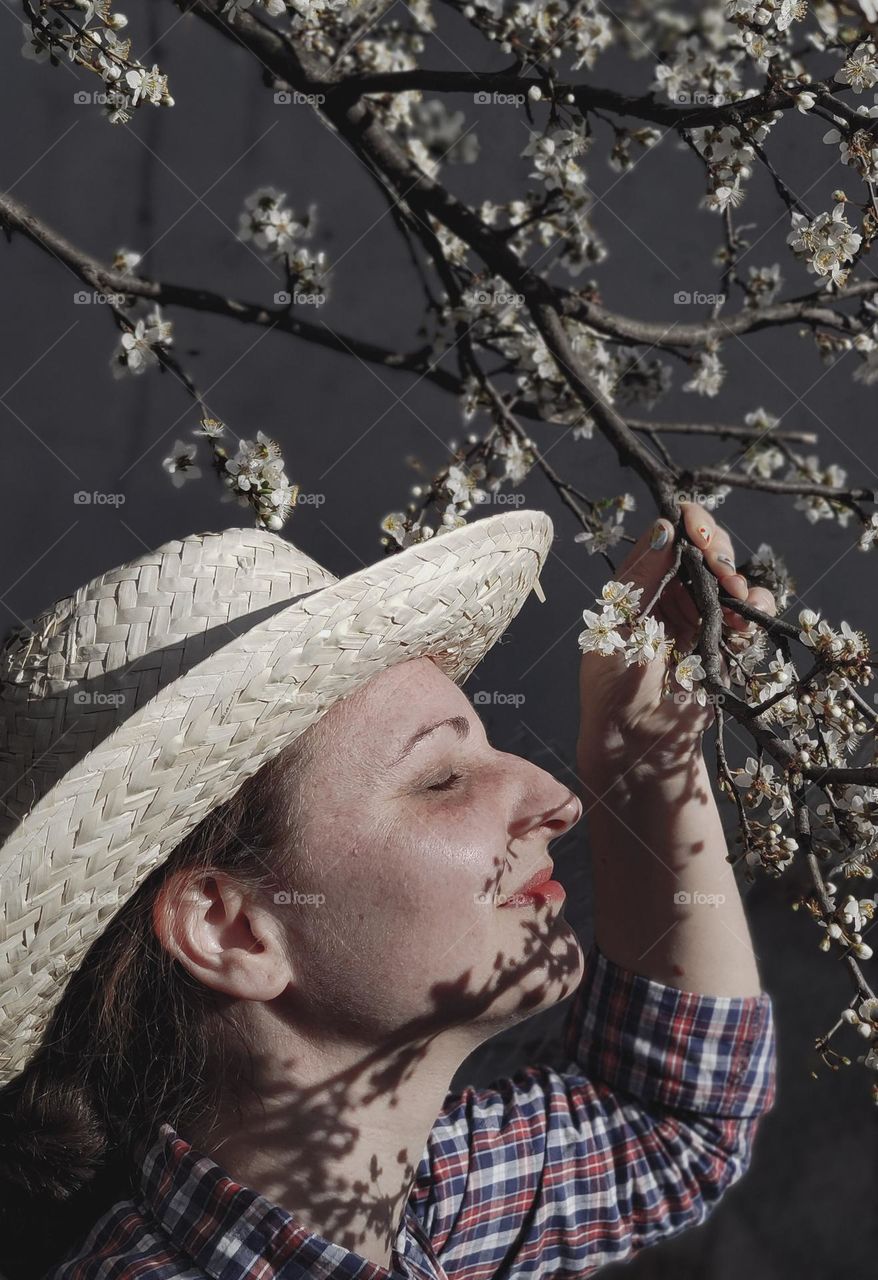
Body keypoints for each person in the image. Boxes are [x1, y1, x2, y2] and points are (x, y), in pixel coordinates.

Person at [0, 503, 777, 1279]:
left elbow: (673, 1125)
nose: (559, 801)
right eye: (441, 780)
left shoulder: (418, 1209)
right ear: (231, 927)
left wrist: (640, 748)